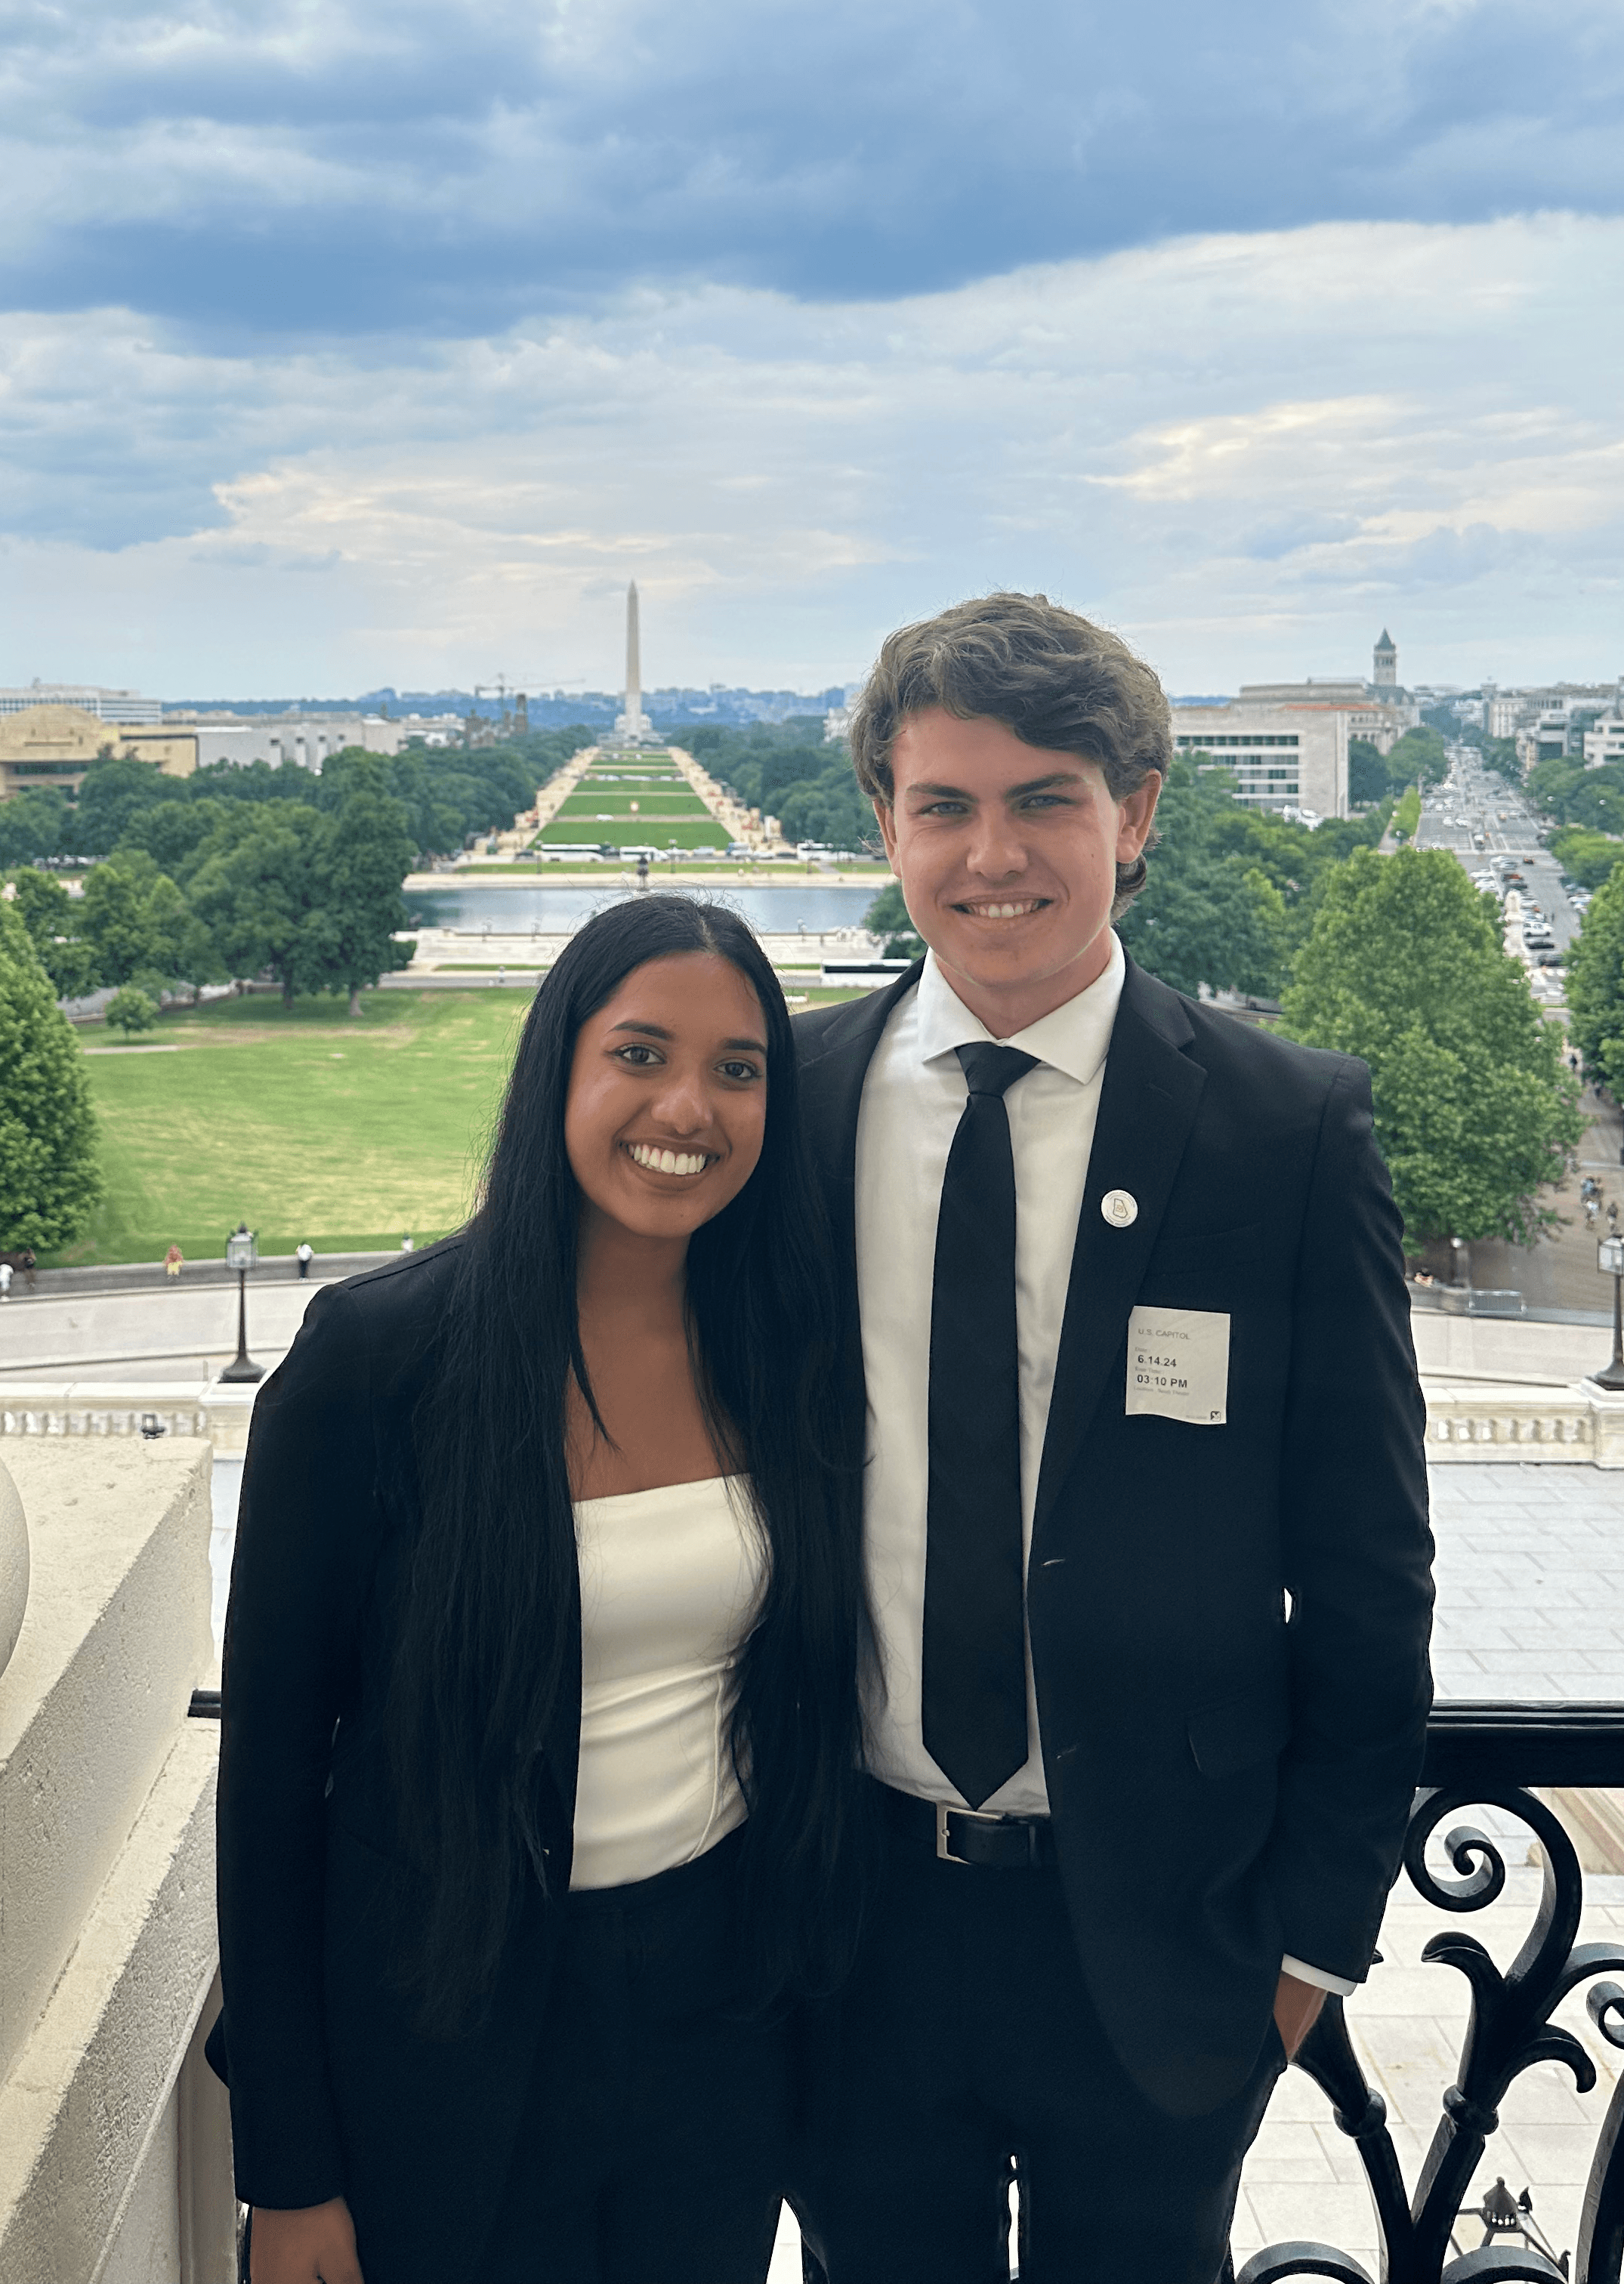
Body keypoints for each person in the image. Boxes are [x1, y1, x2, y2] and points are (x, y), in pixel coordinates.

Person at [789, 593, 1436, 2282]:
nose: (991, 854)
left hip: (1164, 1942)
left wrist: (1313, 1942)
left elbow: (1369, 1571)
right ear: (888, 821)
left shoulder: (1285, 1128)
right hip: (852, 1924)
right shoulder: (791, 1104)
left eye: (1044, 801)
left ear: (1133, 814)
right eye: (944, 805)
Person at [212, 896, 867, 2284]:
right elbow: (271, 1783)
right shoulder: (376, 1363)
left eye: (739, 1069)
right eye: (640, 1053)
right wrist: (289, 2164)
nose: (687, 1106)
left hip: (714, 2024)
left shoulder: (787, 1353)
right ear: (558, 1069)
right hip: (450, 2023)